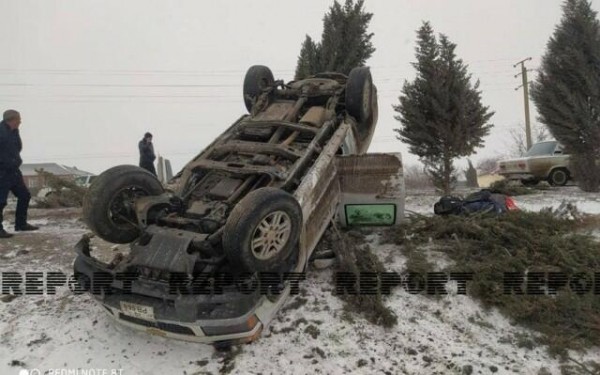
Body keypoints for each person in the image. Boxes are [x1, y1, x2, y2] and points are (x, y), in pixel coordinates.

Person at [0, 110, 39, 239]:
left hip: (14, 171)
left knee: (25, 195)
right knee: (0, 202)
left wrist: (14, 161)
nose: (20, 121)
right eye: (18, 119)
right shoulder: (1, 132)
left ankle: (21, 224)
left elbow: (17, 148)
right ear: (11, 119)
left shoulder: (14, 132)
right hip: (2, 172)